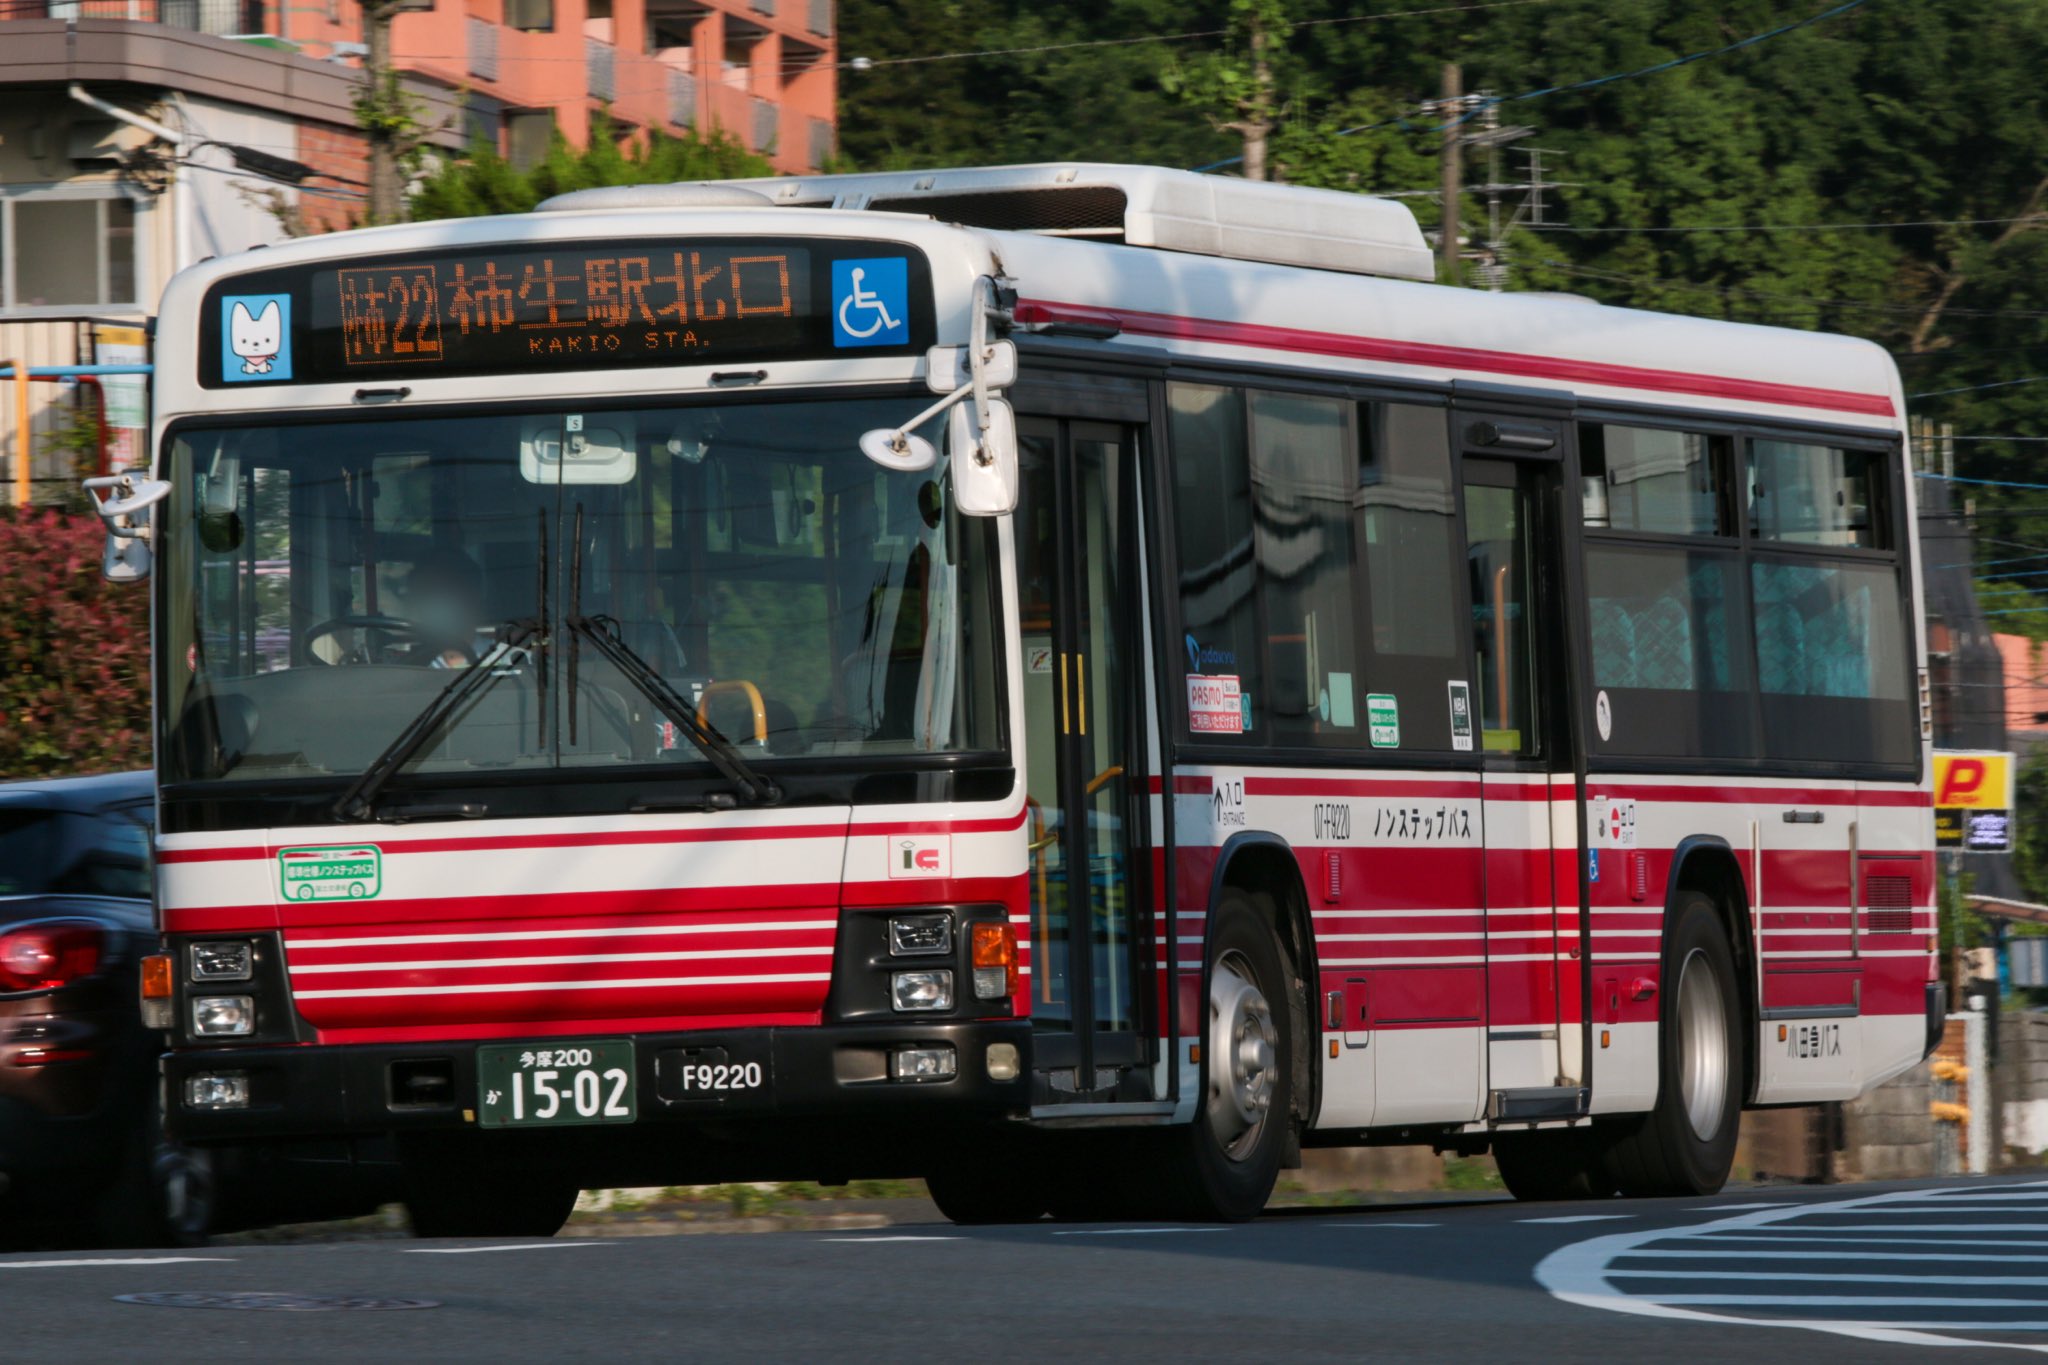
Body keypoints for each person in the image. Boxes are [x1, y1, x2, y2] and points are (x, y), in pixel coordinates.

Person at [400, 545, 491, 668]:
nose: (435, 602)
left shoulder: (513, 662)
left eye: (445, 589)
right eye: (425, 592)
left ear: (473, 595)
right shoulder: (404, 668)